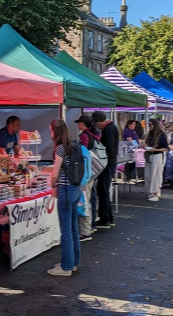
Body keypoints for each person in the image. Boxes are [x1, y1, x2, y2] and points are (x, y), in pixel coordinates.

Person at [47, 119, 81, 276]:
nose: (50, 134)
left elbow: (55, 173)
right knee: (74, 228)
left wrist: (52, 185)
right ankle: (73, 262)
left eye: (51, 131)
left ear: (56, 131)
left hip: (65, 190)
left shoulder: (60, 149)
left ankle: (66, 266)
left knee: (66, 230)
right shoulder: (74, 144)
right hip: (75, 189)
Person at [75, 114, 100, 242]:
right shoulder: (95, 135)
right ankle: (91, 225)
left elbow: (81, 155)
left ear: (83, 123)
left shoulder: (84, 136)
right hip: (93, 171)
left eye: (79, 123)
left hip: (85, 173)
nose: (77, 125)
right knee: (91, 199)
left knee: (84, 202)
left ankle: (85, 231)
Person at [92, 111, 119, 228]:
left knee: (102, 190)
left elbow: (108, 148)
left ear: (99, 121)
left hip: (107, 163)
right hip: (110, 162)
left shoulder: (108, 130)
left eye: (96, 123)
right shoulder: (112, 127)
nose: (97, 126)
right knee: (104, 190)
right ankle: (108, 217)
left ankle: (105, 219)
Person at [143, 119, 169, 202]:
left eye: (150, 124)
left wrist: (156, 149)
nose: (149, 126)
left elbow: (166, 148)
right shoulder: (149, 134)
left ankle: (155, 192)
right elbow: (147, 144)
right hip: (149, 156)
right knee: (147, 175)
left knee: (155, 175)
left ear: (155, 125)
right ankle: (150, 191)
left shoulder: (161, 135)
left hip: (157, 155)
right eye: (149, 124)